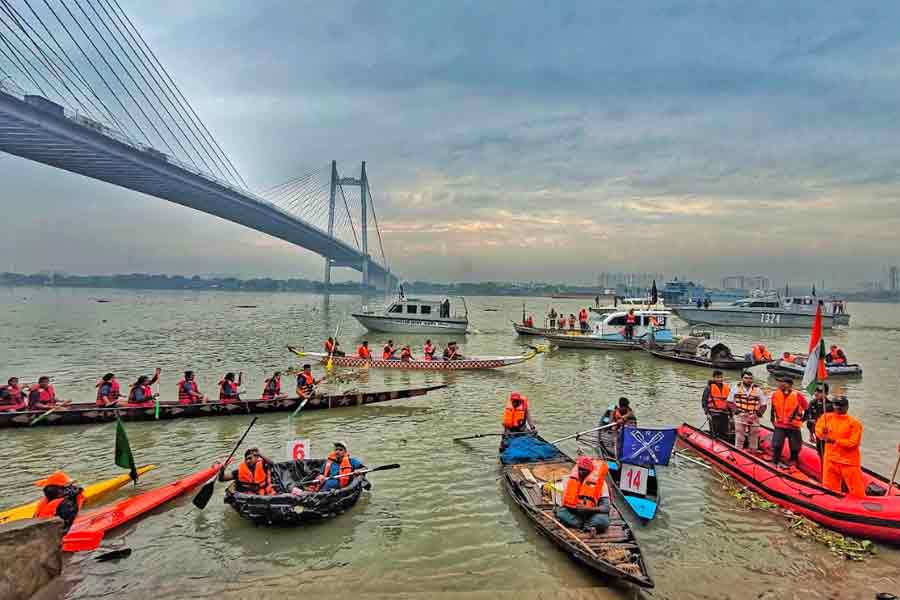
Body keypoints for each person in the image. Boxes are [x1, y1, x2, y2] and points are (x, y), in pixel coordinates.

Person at [815, 396, 864, 497]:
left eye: (841, 405)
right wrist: (822, 432)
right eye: (836, 404)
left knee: (857, 491)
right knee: (829, 489)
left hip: (848, 462)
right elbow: (818, 432)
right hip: (830, 460)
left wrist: (835, 441)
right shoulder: (826, 418)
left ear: (847, 407)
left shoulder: (854, 424)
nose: (838, 407)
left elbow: (853, 443)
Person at [556, 456, 611, 534]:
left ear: (590, 471)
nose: (581, 472)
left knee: (603, 521)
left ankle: (584, 525)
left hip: (593, 514)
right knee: (561, 512)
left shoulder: (601, 484)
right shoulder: (571, 481)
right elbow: (565, 503)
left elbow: (606, 508)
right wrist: (575, 507)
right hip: (576, 514)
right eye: (580, 469)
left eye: (584, 470)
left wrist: (588, 509)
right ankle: (588, 526)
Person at [769, 377, 809, 467]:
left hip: (793, 426)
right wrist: (772, 419)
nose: (780, 385)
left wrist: (802, 420)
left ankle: (793, 460)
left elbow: (807, 409)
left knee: (795, 446)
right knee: (777, 444)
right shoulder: (775, 394)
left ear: (790, 385)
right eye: (780, 383)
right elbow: (773, 408)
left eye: (783, 383)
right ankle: (775, 461)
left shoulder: (798, 395)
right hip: (779, 424)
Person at [727, 371, 768, 452]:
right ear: (742, 379)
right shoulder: (735, 388)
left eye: (750, 378)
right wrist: (737, 411)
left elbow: (764, 404)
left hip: (754, 416)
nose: (748, 380)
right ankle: (738, 450)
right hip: (740, 415)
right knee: (739, 435)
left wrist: (758, 414)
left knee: (754, 435)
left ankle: (753, 450)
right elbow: (729, 402)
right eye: (746, 378)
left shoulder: (758, 390)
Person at [805, 383, 833, 458]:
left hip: (828, 435)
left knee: (827, 453)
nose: (816, 393)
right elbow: (809, 419)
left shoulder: (831, 406)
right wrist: (811, 434)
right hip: (817, 433)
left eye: (820, 391)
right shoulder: (812, 403)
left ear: (826, 393)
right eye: (815, 391)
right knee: (820, 452)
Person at [701, 370, 731, 440]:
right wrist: (707, 413)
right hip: (713, 414)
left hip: (724, 413)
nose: (720, 379)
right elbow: (704, 401)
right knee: (714, 432)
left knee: (724, 432)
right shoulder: (708, 388)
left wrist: (731, 414)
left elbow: (730, 401)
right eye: (717, 377)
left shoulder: (726, 387)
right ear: (713, 378)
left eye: (721, 377)